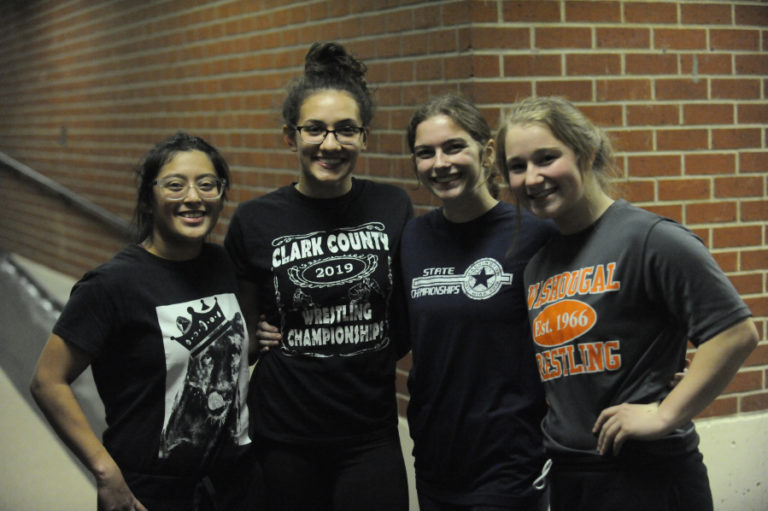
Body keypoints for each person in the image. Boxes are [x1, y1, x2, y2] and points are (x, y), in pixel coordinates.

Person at [497, 96, 759, 511]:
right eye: (517, 166)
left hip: (648, 477)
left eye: (547, 158)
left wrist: (664, 414)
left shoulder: (650, 238)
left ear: (587, 153)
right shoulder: (538, 265)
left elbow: (735, 333)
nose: (532, 178)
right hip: (573, 476)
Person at [224, 41, 412, 511]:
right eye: (315, 130)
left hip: (369, 431)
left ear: (364, 137)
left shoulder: (393, 207)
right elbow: (241, 329)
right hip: (283, 433)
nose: (331, 144)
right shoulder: (254, 220)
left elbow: (406, 311)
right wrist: (256, 336)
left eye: (346, 130)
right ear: (291, 137)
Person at [29, 132, 256, 511]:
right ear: (149, 199)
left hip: (232, 483)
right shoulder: (112, 284)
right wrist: (104, 471)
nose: (193, 197)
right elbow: (47, 381)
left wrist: (257, 337)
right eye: (175, 185)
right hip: (148, 494)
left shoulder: (225, 265)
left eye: (207, 185)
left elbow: (229, 357)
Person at [401, 94, 556, 511]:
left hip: (510, 459)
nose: (440, 163)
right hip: (436, 456)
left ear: (487, 152)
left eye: (454, 147)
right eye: (425, 153)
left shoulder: (535, 234)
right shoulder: (413, 238)